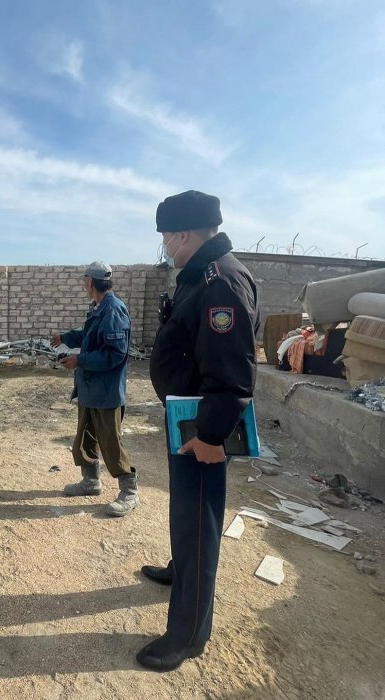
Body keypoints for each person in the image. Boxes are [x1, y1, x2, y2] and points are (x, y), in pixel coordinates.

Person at [136, 190, 260, 672]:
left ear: (184, 234)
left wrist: (210, 437)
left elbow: (232, 373)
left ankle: (187, 635)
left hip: (202, 426)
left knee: (199, 523)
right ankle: (180, 569)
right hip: (186, 418)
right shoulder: (202, 274)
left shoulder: (221, 281)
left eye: (167, 237)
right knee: (185, 515)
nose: (165, 246)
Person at [50, 261, 138, 517]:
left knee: (111, 442)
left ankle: (129, 492)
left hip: (106, 392)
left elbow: (116, 354)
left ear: (90, 282)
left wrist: (80, 360)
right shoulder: (99, 308)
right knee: (86, 437)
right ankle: (91, 482)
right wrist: (65, 338)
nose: (83, 284)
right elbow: (89, 336)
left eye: (84, 280)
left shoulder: (114, 310)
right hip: (90, 389)